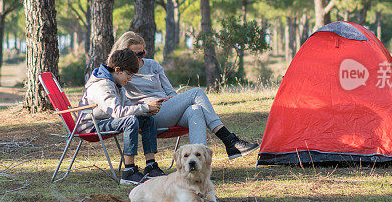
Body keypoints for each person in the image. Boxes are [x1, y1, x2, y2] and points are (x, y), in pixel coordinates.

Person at [111, 32, 259, 159]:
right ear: (124, 54)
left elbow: (170, 92)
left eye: (141, 53)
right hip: (148, 115)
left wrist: (172, 100)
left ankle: (200, 168)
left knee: (196, 110)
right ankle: (229, 140)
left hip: (167, 108)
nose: (139, 57)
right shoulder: (121, 72)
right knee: (197, 92)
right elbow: (120, 101)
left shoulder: (153, 65)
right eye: (134, 54)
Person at [79, 49, 165, 185]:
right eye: (129, 75)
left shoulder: (116, 84)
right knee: (130, 121)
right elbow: (118, 112)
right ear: (118, 70)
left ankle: (150, 166)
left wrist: (147, 109)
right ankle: (129, 172)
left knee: (147, 118)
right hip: (91, 126)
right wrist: (145, 107)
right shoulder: (102, 85)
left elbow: (126, 106)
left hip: (105, 120)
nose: (130, 79)